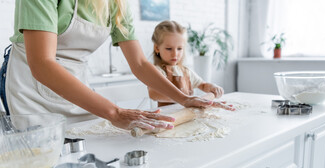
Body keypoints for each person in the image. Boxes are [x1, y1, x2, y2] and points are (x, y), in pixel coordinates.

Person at [0, 0, 233, 132]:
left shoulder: (117, 4)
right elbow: (42, 64)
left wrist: (183, 98)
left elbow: (140, 63)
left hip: (74, 83)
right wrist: (114, 112)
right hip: (30, 84)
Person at [148, 20, 224, 107]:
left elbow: (203, 85)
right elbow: (153, 94)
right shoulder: (156, 71)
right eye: (169, 48)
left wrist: (212, 87)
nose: (175, 54)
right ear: (157, 48)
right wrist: (185, 99)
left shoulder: (186, 71)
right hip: (169, 116)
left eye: (179, 48)